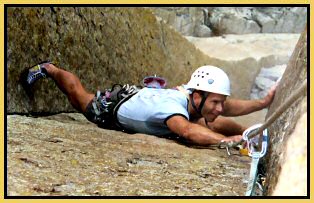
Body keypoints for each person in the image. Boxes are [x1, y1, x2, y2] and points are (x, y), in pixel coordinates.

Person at [22, 61, 276, 146]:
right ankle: (50, 68)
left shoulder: (192, 95)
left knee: (213, 119)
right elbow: (187, 131)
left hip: (140, 95)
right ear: (197, 95)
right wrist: (225, 141)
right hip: (109, 109)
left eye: (221, 101)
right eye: (216, 101)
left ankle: (251, 136)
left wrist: (262, 103)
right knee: (78, 96)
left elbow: (228, 107)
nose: (220, 107)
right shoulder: (175, 110)